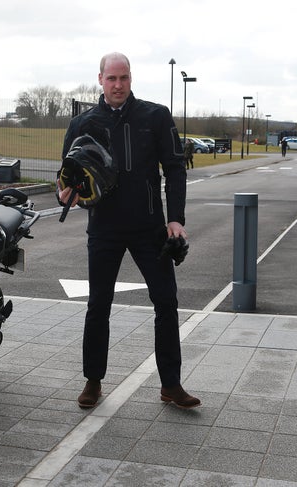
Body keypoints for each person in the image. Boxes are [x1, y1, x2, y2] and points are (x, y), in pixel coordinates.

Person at [57, 52, 200, 410]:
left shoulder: (155, 116)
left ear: (131, 78)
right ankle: (93, 381)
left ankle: (171, 384)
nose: (117, 85)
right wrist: (64, 192)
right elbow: (67, 173)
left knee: (166, 302)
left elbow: (175, 168)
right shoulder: (82, 123)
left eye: (123, 78)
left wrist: (176, 219)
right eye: (111, 79)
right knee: (98, 305)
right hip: (103, 227)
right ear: (100, 80)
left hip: (149, 227)